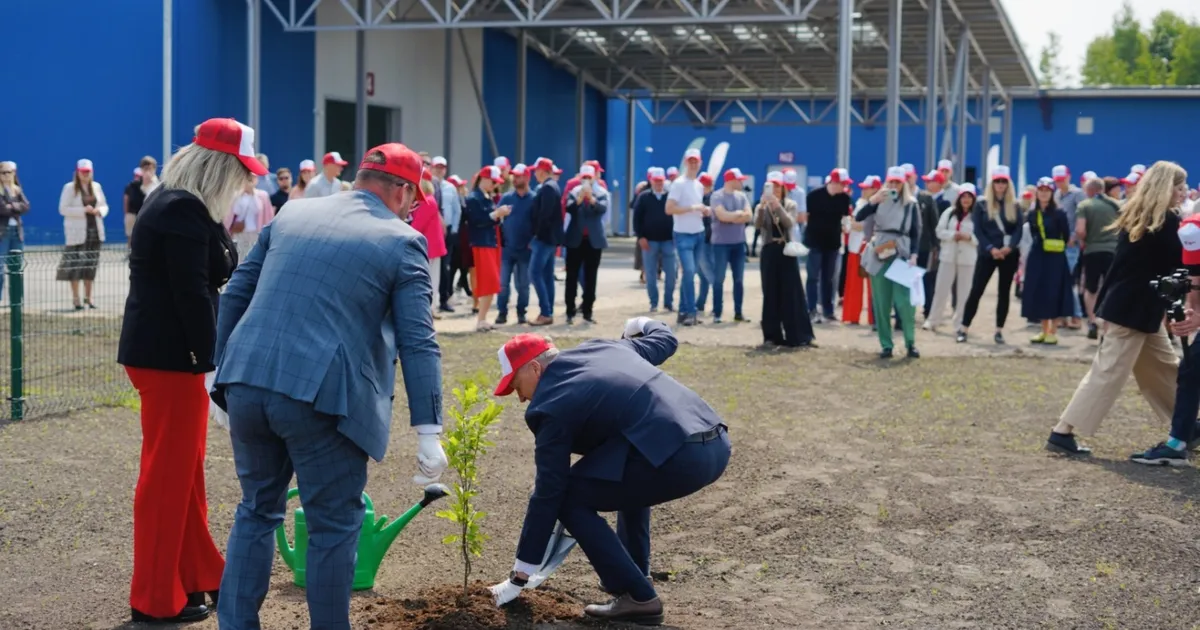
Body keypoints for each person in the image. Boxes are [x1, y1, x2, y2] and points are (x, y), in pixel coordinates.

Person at [211, 143, 448, 630]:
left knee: (256, 511)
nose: (412, 208)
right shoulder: (401, 241)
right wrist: (428, 429)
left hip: (247, 381)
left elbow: (235, 291)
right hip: (322, 397)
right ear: (402, 190)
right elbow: (418, 342)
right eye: (414, 199)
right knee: (334, 527)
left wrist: (218, 377)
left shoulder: (293, 213)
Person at [116, 118, 267, 624]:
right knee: (167, 478)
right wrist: (210, 364)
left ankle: (199, 574)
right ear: (221, 166)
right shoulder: (182, 207)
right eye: (243, 172)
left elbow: (200, 286)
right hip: (172, 358)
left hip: (171, 355)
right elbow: (189, 295)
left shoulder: (181, 202)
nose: (248, 183)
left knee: (185, 475)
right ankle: (154, 598)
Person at [487, 319, 731, 624]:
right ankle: (635, 574)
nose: (520, 397)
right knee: (619, 469)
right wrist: (639, 323)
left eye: (516, 386)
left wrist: (520, 575)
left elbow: (549, 490)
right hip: (716, 442)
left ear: (535, 368)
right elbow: (666, 340)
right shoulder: (606, 347)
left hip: (682, 459)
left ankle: (639, 598)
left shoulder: (550, 406)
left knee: (570, 496)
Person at [1046, 161, 1188, 457]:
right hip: (1134, 311)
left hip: (1133, 308)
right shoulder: (1166, 221)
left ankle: (1186, 424)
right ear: (1166, 188)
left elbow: (1118, 267)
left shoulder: (1138, 216)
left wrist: (1101, 307)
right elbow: (1183, 261)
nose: (1182, 193)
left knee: (1164, 368)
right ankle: (1062, 431)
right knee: (1107, 372)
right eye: (1179, 188)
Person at [1133, 209, 1200, 465]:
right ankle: (1178, 442)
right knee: (1191, 369)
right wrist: (1192, 313)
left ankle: (1179, 441)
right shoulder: (1191, 228)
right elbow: (1196, 279)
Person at [855, 166, 922, 359]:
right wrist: (872, 201)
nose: (894, 186)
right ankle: (886, 344)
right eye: (891, 182)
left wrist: (915, 254)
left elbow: (916, 231)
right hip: (880, 251)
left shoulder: (911, 204)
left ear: (904, 184)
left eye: (897, 183)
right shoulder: (877, 201)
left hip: (901, 250)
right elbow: (859, 217)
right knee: (881, 301)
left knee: (905, 302)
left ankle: (910, 342)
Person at [959, 166, 1022, 345]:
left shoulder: (1014, 205)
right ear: (992, 183)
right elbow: (978, 229)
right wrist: (990, 248)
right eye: (997, 181)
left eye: (1003, 181)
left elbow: (1018, 229)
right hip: (987, 254)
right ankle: (964, 327)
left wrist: (1009, 247)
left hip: (1008, 254)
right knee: (977, 290)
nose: (1000, 185)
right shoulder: (981, 204)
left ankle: (999, 330)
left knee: (1004, 293)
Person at [755, 171, 814, 347]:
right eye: (772, 187)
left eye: (778, 187)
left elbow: (790, 223)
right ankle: (771, 336)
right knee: (770, 292)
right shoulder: (761, 205)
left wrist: (777, 206)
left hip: (786, 250)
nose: (776, 190)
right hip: (769, 250)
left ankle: (798, 335)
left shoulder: (790, 204)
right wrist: (762, 208)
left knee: (792, 292)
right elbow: (757, 225)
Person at [1021, 178, 1075, 344]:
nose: (1044, 193)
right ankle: (1043, 329)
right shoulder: (1031, 213)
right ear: (1037, 192)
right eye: (1041, 190)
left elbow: (1066, 235)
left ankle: (1053, 330)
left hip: (1055, 257)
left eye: (1047, 190)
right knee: (1039, 291)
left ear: (1052, 193)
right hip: (1038, 254)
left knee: (1054, 291)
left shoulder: (1059, 213)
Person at [925, 184, 978, 338]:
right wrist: (952, 235)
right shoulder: (949, 213)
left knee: (964, 292)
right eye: (963, 196)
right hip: (948, 256)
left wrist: (969, 238)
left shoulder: (977, 215)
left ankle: (960, 322)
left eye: (969, 197)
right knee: (941, 288)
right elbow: (939, 231)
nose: (966, 200)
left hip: (967, 258)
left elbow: (981, 236)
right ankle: (933, 319)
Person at [57, 159, 109, 310]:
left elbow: (104, 204)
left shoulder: (96, 186)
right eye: (83, 172)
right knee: (75, 267)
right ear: (78, 172)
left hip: (94, 232)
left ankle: (89, 298)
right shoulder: (69, 188)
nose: (85, 175)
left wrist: (100, 211)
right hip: (77, 233)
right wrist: (82, 211)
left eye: (88, 172)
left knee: (90, 266)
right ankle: (76, 299)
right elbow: (63, 209)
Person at [465, 165, 510, 331]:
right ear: (483, 179)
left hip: (490, 242)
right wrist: (497, 214)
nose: (494, 185)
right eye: (493, 181)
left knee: (491, 282)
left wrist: (497, 215)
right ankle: (481, 319)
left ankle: (482, 319)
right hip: (483, 243)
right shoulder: (474, 198)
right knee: (489, 281)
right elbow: (477, 220)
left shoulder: (484, 196)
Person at [1075, 177, 1120, 339]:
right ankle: (1107, 325)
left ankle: (1093, 321)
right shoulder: (1116, 205)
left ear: (1089, 191)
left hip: (1092, 251)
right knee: (1109, 288)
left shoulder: (1085, 205)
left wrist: (1084, 242)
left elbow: (1080, 230)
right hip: (1113, 251)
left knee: (1091, 288)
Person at [805, 168, 852, 323]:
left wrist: (847, 228)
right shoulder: (814, 196)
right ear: (834, 182)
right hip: (815, 241)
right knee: (813, 277)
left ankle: (828, 310)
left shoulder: (844, 198)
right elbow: (807, 217)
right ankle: (811, 308)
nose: (844, 187)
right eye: (842, 184)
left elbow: (845, 217)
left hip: (832, 243)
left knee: (829, 278)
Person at [563, 164, 609, 325]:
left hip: (593, 241)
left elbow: (603, 209)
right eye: (584, 178)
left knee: (591, 277)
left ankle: (588, 311)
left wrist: (592, 199)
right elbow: (568, 208)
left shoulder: (602, 193)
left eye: (589, 178)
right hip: (575, 240)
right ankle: (569, 311)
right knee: (571, 277)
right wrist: (580, 199)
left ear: (595, 178)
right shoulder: (573, 192)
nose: (587, 181)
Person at [707, 168, 753, 323]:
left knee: (738, 279)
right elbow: (721, 215)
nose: (742, 182)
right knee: (719, 278)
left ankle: (738, 312)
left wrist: (731, 217)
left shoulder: (742, 196)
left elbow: (749, 216)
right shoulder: (717, 196)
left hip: (739, 243)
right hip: (720, 244)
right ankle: (717, 313)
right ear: (730, 180)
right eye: (739, 179)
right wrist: (738, 215)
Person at [496, 163, 536, 325]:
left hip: (526, 249)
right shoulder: (506, 198)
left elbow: (539, 222)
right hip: (507, 248)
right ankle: (502, 313)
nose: (515, 179)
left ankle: (521, 313)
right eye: (514, 176)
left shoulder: (534, 199)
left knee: (523, 285)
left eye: (519, 176)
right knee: (503, 284)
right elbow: (497, 218)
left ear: (527, 178)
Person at [634, 167, 675, 314]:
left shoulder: (670, 197)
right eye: (656, 181)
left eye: (661, 181)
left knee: (671, 273)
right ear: (651, 181)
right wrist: (641, 237)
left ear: (664, 181)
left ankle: (668, 302)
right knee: (650, 274)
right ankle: (653, 303)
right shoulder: (643, 197)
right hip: (649, 241)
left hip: (669, 240)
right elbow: (637, 218)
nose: (658, 183)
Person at [528, 158, 562, 325]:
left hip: (544, 238)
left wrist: (537, 235)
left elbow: (545, 215)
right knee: (547, 276)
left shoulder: (548, 187)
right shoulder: (552, 186)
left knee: (534, 273)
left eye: (536, 171)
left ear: (542, 171)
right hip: (550, 238)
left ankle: (545, 311)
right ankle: (548, 311)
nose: (534, 174)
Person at [0, 161, 29, 295]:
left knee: (16, 267)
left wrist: (12, 206)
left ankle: (17, 300)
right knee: (0, 268)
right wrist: (15, 207)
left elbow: (26, 206)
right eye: (3, 173)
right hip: (2, 233)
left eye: (9, 172)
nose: (7, 175)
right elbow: (2, 209)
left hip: (16, 232)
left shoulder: (17, 189)